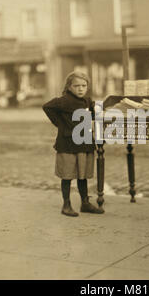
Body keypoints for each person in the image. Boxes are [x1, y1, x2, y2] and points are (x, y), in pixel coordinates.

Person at [42, 71, 104, 217]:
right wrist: (60, 124)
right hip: (68, 145)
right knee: (67, 175)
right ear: (69, 87)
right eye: (76, 86)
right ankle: (66, 204)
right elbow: (47, 107)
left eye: (84, 85)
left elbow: (95, 113)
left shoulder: (88, 101)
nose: (80, 89)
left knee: (82, 175)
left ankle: (85, 202)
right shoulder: (64, 101)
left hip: (84, 143)